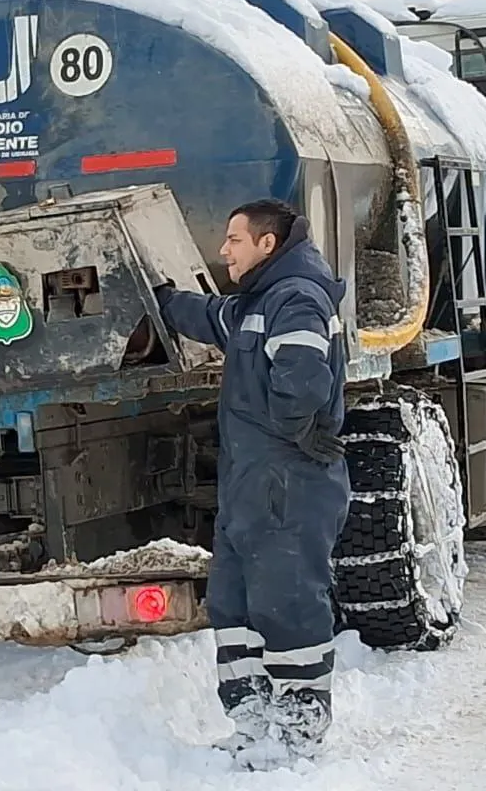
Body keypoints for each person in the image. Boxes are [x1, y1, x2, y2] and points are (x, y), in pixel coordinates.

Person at [153, 199, 350, 761]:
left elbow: (303, 381)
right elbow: (212, 317)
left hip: (285, 480)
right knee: (233, 605)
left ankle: (298, 732)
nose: (223, 251)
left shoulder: (296, 299)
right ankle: (254, 726)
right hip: (250, 481)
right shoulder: (257, 303)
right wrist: (162, 299)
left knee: (287, 602)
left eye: (234, 240)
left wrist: (291, 431)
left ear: (268, 244)